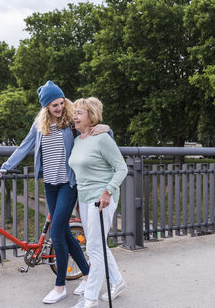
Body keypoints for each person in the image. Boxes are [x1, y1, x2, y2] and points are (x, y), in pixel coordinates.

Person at [0, 81, 109, 304]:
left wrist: (106, 129)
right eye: (54, 105)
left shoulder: (71, 121)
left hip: (68, 184)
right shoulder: (39, 126)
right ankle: (87, 274)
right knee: (63, 231)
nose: (59, 108)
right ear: (46, 107)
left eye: (61, 103)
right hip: (50, 185)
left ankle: (60, 286)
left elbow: (93, 126)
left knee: (56, 233)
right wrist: (4, 167)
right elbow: (24, 147)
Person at [68, 97, 127, 308]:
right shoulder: (77, 140)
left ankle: (90, 299)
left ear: (91, 116)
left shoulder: (102, 138)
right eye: (74, 112)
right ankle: (118, 281)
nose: (74, 116)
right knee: (98, 245)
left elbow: (122, 168)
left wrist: (108, 191)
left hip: (101, 199)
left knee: (93, 248)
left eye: (79, 113)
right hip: (84, 199)